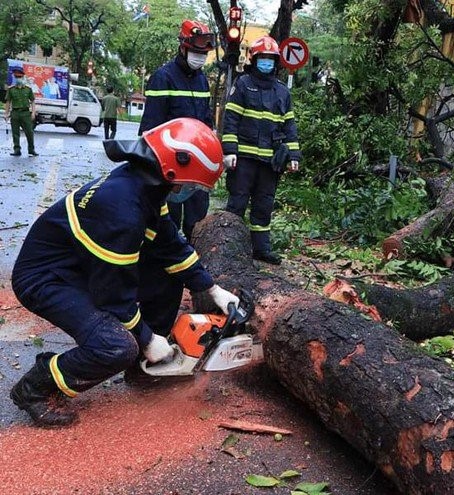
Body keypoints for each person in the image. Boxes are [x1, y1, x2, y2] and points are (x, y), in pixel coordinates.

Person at [10, 117, 239, 428]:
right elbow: (113, 297)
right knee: (116, 346)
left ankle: (143, 367)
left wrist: (211, 289)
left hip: (81, 267)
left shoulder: (145, 186)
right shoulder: (122, 212)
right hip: (45, 279)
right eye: (191, 185)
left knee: (167, 270)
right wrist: (145, 339)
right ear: (173, 171)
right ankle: (36, 387)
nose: (189, 191)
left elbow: (170, 244)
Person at [221, 36, 302, 265]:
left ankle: (261, 250)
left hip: (270, 163)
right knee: (237, 204)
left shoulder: (282, 92)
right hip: (244, 159)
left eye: (270, 59)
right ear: (254, 60)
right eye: (262, 58)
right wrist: (229, 151)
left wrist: (294, 155)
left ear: (276, 62)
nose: (266, 63)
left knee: (264, 205)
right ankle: (228, 248)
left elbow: (289, 126)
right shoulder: (243, 85)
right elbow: (231, 120)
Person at [139, 19, 215, 242]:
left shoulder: (202, 80)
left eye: (203, 54)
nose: (199, 57)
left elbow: (206, 120)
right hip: (170, 163)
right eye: (195, 51)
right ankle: (164, 266)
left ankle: (191, 262)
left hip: (197, 162)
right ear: (183, 47)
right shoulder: (163, 77)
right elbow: (151, 125)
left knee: (197, 218)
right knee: (167, 221)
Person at [4, 68, 38, 157]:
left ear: (23, 77)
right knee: (15, 133)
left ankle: (31, 150)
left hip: (25, 113)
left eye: (19, 76)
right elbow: (8, 102)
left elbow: (33, 101)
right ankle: (17, 150)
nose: (18, 78)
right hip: (15, 113)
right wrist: (6, 114)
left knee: (29, 133)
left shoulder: (28, 89)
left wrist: (33, 112)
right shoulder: (11, 90)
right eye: (16, 77)